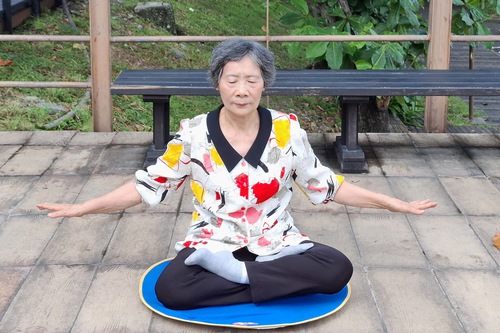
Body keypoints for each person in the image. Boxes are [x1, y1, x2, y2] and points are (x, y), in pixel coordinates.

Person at [37, 39, 437, 310]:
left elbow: (324, 184)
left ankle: (244, 276)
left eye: (251, 79)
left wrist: (392, 202)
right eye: (232, 79)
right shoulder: (193, 134)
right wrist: (81, 208)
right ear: (218, 83)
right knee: (171, 290)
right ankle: (263, 282)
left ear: (265, 84)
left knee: (337, 269)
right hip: (214, 245)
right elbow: (148, 185)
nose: (241, 89)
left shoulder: (288, 130)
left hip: (278, 242)